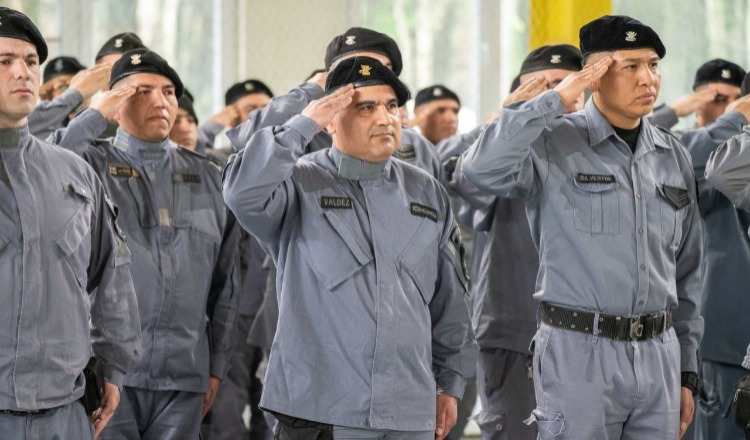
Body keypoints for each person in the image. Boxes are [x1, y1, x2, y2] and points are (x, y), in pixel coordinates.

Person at [462, 15, 703, 439]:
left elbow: (687, 270)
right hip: (579, 352)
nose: (647, 78)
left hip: (659, 355)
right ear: (595, 75)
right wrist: (553, 100)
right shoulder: (552, 141)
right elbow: (478, 171)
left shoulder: (672, 154)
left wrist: (687, 369)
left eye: (653, 65)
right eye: (631, 66)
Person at [223, 56, 478, 440]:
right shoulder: (297, 182)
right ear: (330, 121)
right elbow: (241, 192)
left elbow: (451, 299)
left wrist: (451, 381)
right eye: (366, 108)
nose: (385, 118)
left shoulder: (425, 190)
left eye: (391, 106)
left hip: (408, 410)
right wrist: (303, 122)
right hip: (320, 409)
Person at [50, 48, 240, 440]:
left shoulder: (209, 177)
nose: (160, 101)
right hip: (107, 375)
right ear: (115, 103)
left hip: (184, 377)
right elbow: (44, 162)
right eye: (142, 91)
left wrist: (217, 366)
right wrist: (94, 115)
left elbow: (226, 286)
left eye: (168, 92)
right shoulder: (88, 165)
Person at [0, 7, 141, 439]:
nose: (23, 72)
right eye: (4, 61)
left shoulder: (74, 173)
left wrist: (114, 367)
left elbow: (112, 273)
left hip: (64, 415)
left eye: (30, 61)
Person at [439, 43, 585, 440]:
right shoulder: (503, 157)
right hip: (514, 334)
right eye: (542, 87)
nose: (558, 95)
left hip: (586, 342)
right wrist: (505, 118)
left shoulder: (597, 153)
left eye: (565, 84)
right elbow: (451, 169)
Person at [676, 73, 750, 440]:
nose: (724, 107)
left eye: (731, 99)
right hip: (724, 339)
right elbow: (688, 161)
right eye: (717, 99)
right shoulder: (705, 157)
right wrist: (736, 119)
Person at [652, 59, 745, 130]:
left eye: (739, 100)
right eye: (720, 99)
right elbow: (644, 136)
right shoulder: (678, 144)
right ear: (697, 104)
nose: (733, 107)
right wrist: (675, 111)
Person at [199, 79, 274, 151]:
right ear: (233, 118)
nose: (262, 114)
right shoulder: (221, 158)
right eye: (251, 109)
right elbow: (195, 152)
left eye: (267, 108)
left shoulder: (280, 152)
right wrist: (214, 124)